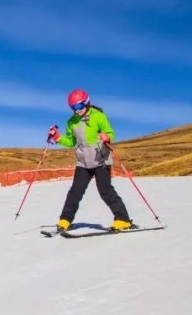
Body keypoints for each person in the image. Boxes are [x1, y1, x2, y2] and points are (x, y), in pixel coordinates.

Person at [48, 89, 133, 232]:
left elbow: (110, 132)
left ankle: (123, 220)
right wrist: (58, 138)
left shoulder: (98, 116)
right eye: (74, 108)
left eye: (80, 106)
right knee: (75, 191)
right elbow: (71, 141)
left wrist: (107, 137)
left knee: (105, 191)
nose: (77, 110)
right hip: (83, 162)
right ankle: (65, 220)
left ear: (86, 103)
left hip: (101, 160)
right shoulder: (71, 122)